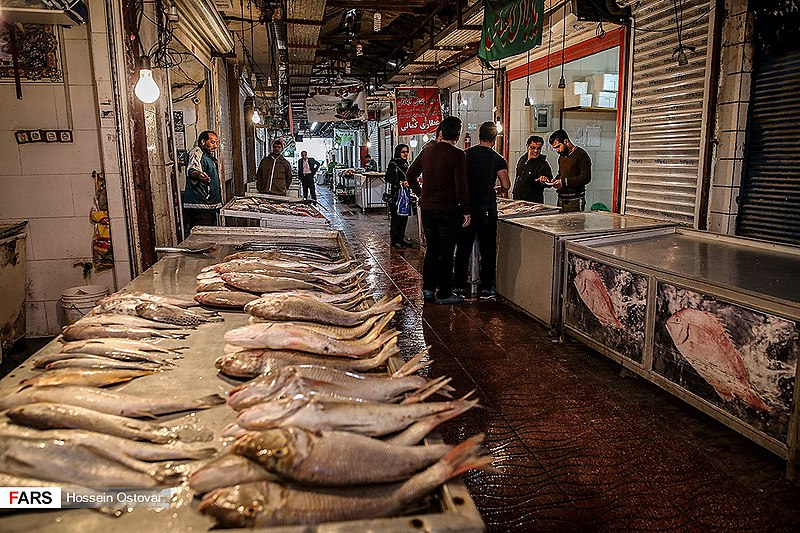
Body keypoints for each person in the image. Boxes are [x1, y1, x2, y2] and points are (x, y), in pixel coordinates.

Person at [406, 116, 470, 305]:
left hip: (427, 209)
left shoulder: (427, 152)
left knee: (432, 249)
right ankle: (443, 293)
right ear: (457, 136)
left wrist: (420, 193)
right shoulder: (458, 155)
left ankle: (427, 289)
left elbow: (410, 174)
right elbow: (461, 187)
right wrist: (466, 210)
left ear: (440, 132)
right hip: (448, 210)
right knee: (446, 251)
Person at [453, 121, 510, 299]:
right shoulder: (498, 159)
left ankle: (459, 287)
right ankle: (487, 288)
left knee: (463, 249)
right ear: (495, 138)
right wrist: (495, 189)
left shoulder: (465, 155)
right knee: (488, 250)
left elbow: (458, 181)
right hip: (487, 210)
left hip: (467, 210)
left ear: (479, 135)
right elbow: (506, 185)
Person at [540, 129, 591, 212]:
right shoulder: (562, 157)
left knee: (575, 224)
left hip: (575, 200)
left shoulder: (581, 155)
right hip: (561, 199)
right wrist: (554, 181)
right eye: (555, 148)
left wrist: (563, 182)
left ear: (566, 141)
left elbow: (586, 178)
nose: (557, 150)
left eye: (558, 146)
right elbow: (561, 174)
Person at [183, 130, 222, 234]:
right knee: (201, 240)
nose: (215, 146)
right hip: (200, 208)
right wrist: (200, 176)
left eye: (216, 143)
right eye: (212, 142)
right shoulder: (196, 152)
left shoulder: (208, 158)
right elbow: (192, 170)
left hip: (208, 208)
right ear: (203, 142)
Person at [384, 144, 411, 248]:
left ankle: (401, 239)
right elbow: (388, 178)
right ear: (398, 152)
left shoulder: (405, 164)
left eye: (407, 152)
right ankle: (394, 241)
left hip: (404, 195)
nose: (405, 154)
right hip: (395, 195)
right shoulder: (393, 164)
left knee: (404, 217)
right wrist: (400, 183)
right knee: (396, 218)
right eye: (403, 152)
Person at [513, 135, 552, 203]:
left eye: (538, 148)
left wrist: (544, 180)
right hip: (518, 200)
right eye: (533, 148)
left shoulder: (543, 164)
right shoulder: (522, 159)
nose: (536, 151)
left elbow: (549, 181)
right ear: (527, 147)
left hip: (533, 202)